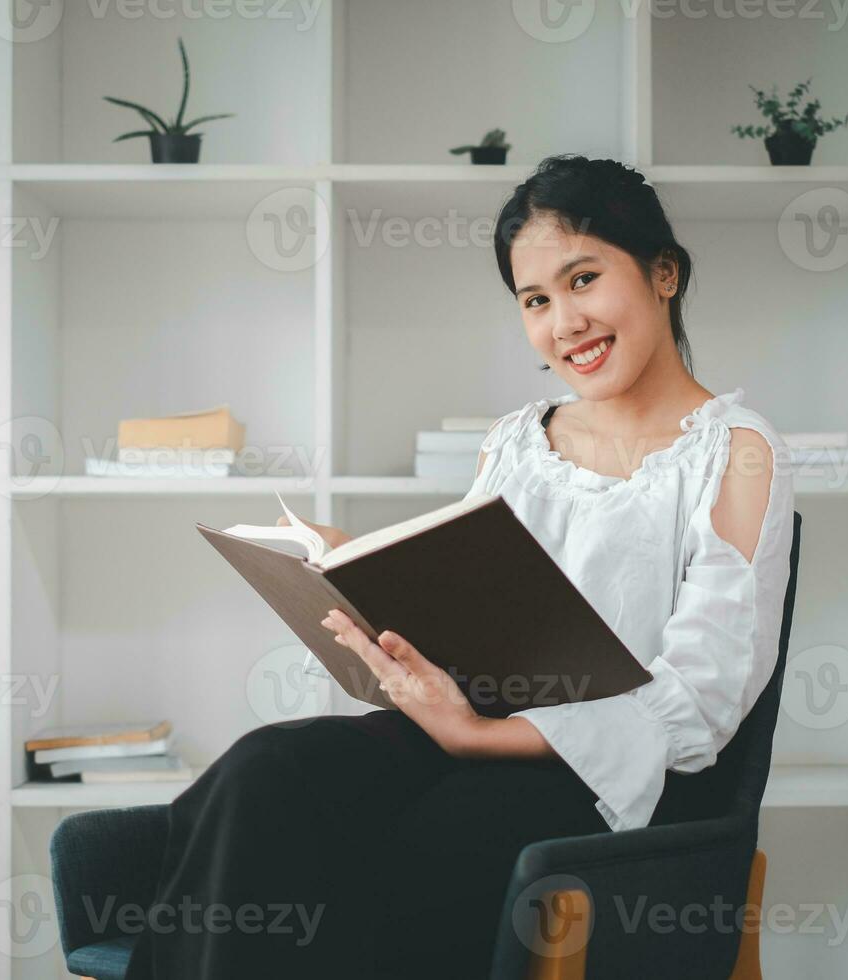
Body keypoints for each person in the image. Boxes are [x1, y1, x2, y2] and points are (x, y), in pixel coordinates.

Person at [123, 155, 797, 980]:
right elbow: (474, 604)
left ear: (664, 272)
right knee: (267, 771)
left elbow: (703, 699)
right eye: (536, 301)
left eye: (584, 279)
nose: (565, 323)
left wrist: (488, 735)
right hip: (455, 730)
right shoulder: (515, 440)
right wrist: (365, 594)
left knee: (419, 844)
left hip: (599, 776)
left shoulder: (736, 450)